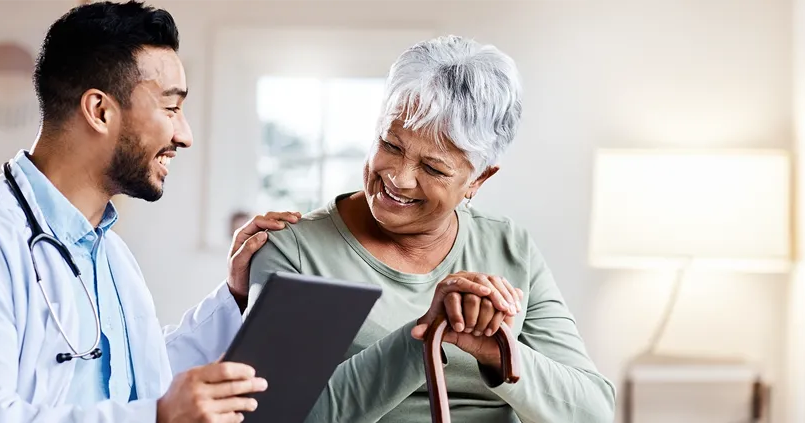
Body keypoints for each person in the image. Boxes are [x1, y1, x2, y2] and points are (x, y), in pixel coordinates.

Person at [0, 2, 301, 422]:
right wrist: (154, 418)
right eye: (171, 108)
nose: (184, 135)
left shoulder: (113, 257)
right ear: (100, 111)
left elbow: (144, 385)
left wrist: (235, 295)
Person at [247, 35, 617, 422]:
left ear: (479, 180)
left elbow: (593, 411)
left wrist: (495, 350)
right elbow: (276, 415)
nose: (399, 178)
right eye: (391, 144)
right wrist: (424, 334)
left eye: (433, 168)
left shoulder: (509, 246)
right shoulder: (294, 250)